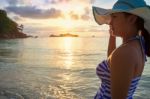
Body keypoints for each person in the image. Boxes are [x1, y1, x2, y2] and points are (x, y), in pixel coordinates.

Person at [92, 0, 150, 99]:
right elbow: (112, 62)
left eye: (114, 16)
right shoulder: (138, 44)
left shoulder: (125, 52)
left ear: (132, 19)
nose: (110, 21)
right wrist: (112, 36)